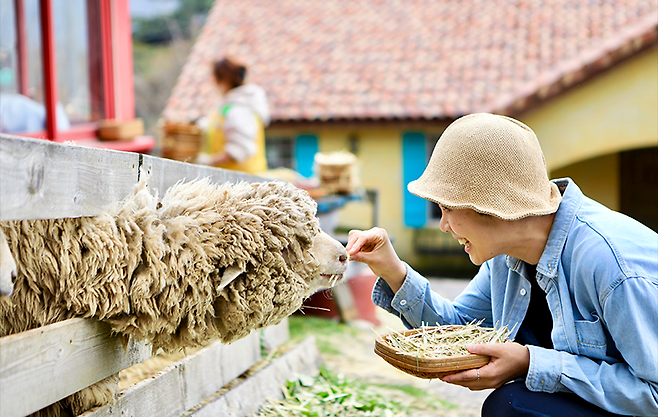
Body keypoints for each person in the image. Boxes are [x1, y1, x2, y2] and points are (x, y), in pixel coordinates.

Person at [346, 113, 658, 417]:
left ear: (489, 206)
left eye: (446, 208)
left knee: (512, 405)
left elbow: (653, 393)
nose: (442, 225)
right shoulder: (507, 255)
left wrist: (529, 362)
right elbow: (458, 331)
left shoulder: (612, 265)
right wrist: (391, 268)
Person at [195, 56, 269, 174]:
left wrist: (207, 161)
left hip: (244, 183)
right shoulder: (226, 107)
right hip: (230, 183)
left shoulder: (239, 108)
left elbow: (240, 150)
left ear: (221, 80)